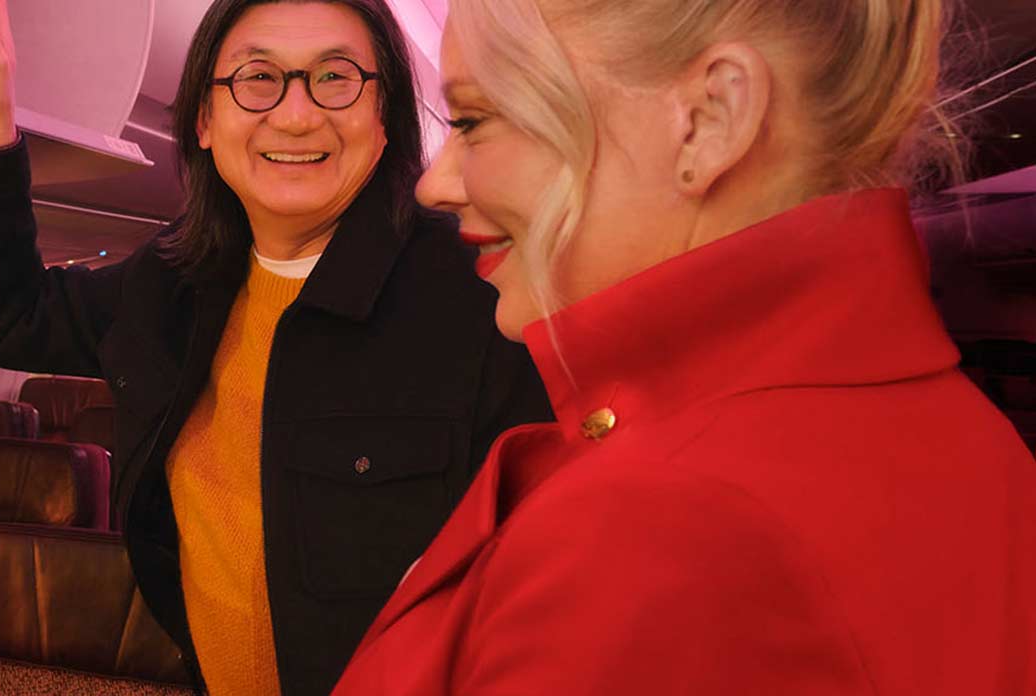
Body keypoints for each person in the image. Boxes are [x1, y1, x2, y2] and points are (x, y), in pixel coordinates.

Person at [331, 0, 1036, 692]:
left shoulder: (648, 531)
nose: (437, 182)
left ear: (707, 123)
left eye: (476, 121)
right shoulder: (966, 432)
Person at [0, 0, 552, 693]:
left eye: (337, 78)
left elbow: (549, 582)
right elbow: (10, 319)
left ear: (386, 121)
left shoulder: (482, 299)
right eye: (257, 79)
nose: (295, 116)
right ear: (203, 120)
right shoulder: (171, 284)